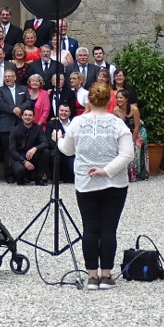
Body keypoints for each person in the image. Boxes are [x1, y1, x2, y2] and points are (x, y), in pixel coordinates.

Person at [58, 81, 135, 290]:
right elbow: (128, 154)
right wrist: (107, 171)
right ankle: (106, 275)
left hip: (86, 182)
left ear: (88, 100)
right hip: (115, 183)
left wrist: (58, 139)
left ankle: (92, 276)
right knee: (109, 228)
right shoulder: (118, 123)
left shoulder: (76, 123)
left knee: (90, 228)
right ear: (109, 100)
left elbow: (66, 150)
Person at [7, 108, 51, 185]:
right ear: (22, 117)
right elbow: (12, 150)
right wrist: (24, 161)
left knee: (46, 152)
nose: (27, 117)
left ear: (34, 117)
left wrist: (35, 148)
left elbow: (45, 143)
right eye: (25, 115)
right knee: (20, 171)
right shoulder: (15, 130)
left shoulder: (38, 128)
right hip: (19, 158)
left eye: (30, 115)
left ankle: (39, 178)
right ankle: (22, 177)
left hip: (32, 156)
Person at [113, 87, 148, 182]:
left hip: (137, 132)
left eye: (121, 98)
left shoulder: (134, 109)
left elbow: (137, 127)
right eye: (118, 98)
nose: (119, 100)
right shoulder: (115, 110)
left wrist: (132, 142)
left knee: (134, 148)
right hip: (124, 132)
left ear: (126, 99)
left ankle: (136, 174)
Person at [0, 68, 22, 181]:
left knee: (20, 149)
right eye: (5, 77)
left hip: (21, 123)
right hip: (6, 124)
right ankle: (9, 175)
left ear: (15, 77)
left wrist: (20, 109)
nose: (7, 78)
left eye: (9, 76)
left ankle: (20, 174)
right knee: (8, 150)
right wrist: (13, 109)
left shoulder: (23, 89)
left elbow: (28, 101)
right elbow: (0, 104)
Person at [47, 103, 75, 184]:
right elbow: (47, 140)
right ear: (58, 112)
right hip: (57, 150)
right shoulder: (51, 124)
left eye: (66, 111)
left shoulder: (74, 123)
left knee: (70, 178)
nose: (63, 113)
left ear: (70, 113)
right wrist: (57, 141)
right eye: (61, 110)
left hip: (71, 151)